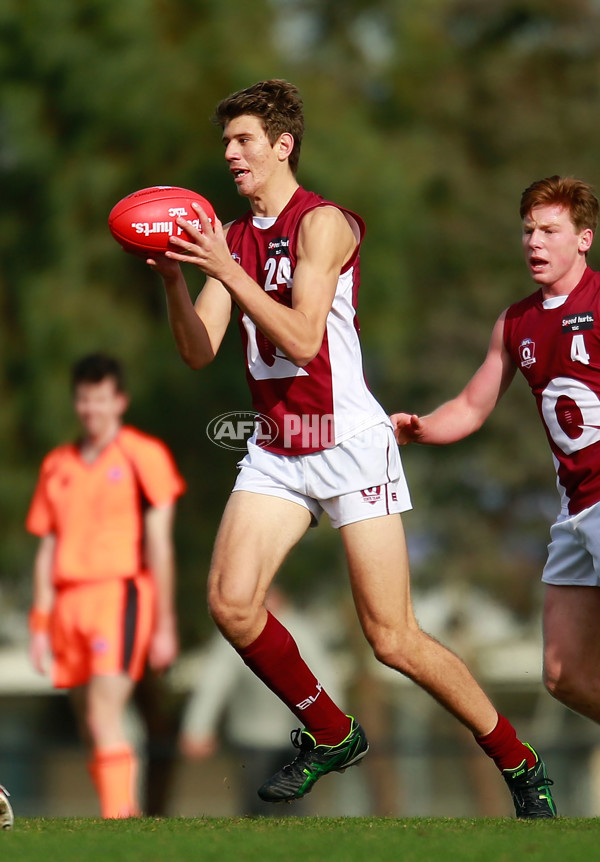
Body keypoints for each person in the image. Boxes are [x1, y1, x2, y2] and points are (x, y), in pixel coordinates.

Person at [147, 79, 555, 818]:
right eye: (226, 144)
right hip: (278, 447)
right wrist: (180, 279)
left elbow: (303, 339)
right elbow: (199, 351)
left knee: (393, 638)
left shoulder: (322, 224)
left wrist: (226, 271)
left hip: (349, 444)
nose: (230, 155)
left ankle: (520, 761)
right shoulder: (231, 237)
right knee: (231, 605)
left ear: (283, 145)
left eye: (243, 141)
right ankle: (332, 732)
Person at [393, 174, 600, 761]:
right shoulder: (515, 324)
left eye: (550, 231)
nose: (535, 242)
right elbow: (470, 407)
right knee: (564, 676)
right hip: (575, 511)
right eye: (529, 231)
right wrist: (422, 427)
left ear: (584, 239)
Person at [26, 353, 186, 818]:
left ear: (119, 402)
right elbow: (47, 546)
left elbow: (161, 546)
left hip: (120, 596)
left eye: (99, 400)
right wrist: (39, 621)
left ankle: (119, 819)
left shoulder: (143, 456)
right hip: (68, 604)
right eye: (83, 400)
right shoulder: (58, 465)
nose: (90, 410)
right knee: (88, 720)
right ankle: (121, 813)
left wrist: (164, 624)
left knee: (104, 711)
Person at [179, 586, 345, 816]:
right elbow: (213, 683)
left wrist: (332, 729)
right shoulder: (235, 635)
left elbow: (325, 680)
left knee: (294, 806)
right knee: (257, 805)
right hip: (251, 740)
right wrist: (197, 728)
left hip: (297, 740)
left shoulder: (301, 632)